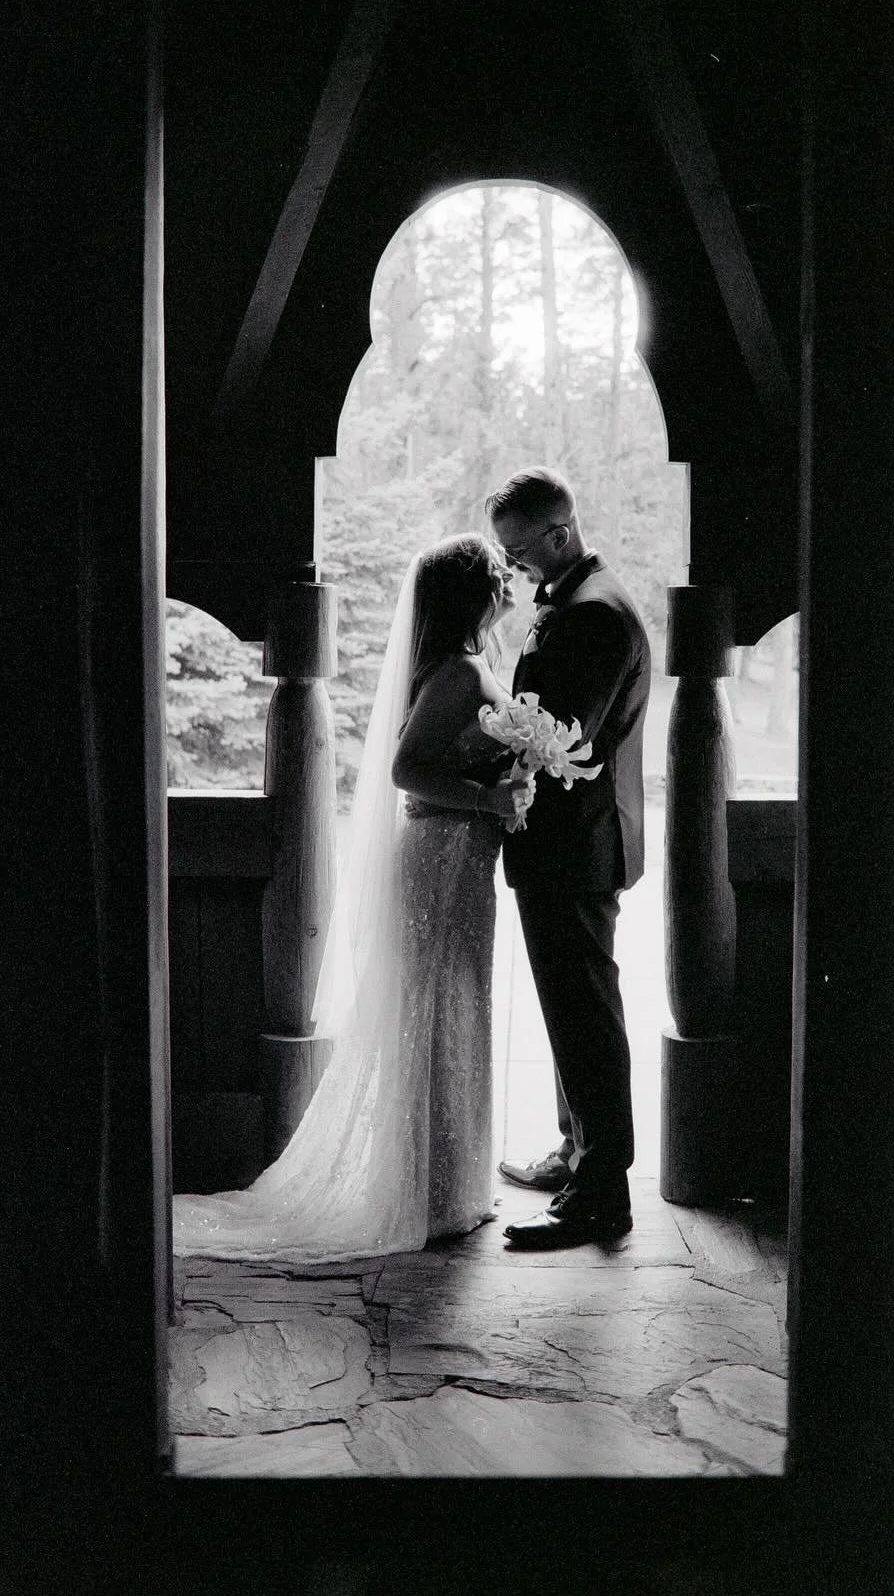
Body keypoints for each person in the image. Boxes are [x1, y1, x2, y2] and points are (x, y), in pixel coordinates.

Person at [171, 534, 533, 1263]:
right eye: (498, 578)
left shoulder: (468, 664)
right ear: (473, 595)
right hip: (441, 857)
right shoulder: (460, 673)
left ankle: (449, 1185)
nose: (508, 586)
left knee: (453, 1007)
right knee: (433, 1009)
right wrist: (490, 796)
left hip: (460, 859)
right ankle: (430, 1192)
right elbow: (406, 768)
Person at [486, 468, 652, 1249]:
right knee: (571, 1007)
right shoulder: (586, 601)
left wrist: (482, 747)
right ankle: (577, 1149)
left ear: (560, 534)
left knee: (585, 1013)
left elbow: (560, 737)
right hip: (569, 840)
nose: (513, 568)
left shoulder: (594, 617)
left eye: (519, 551)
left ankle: (601, 1196)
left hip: (575, 843)